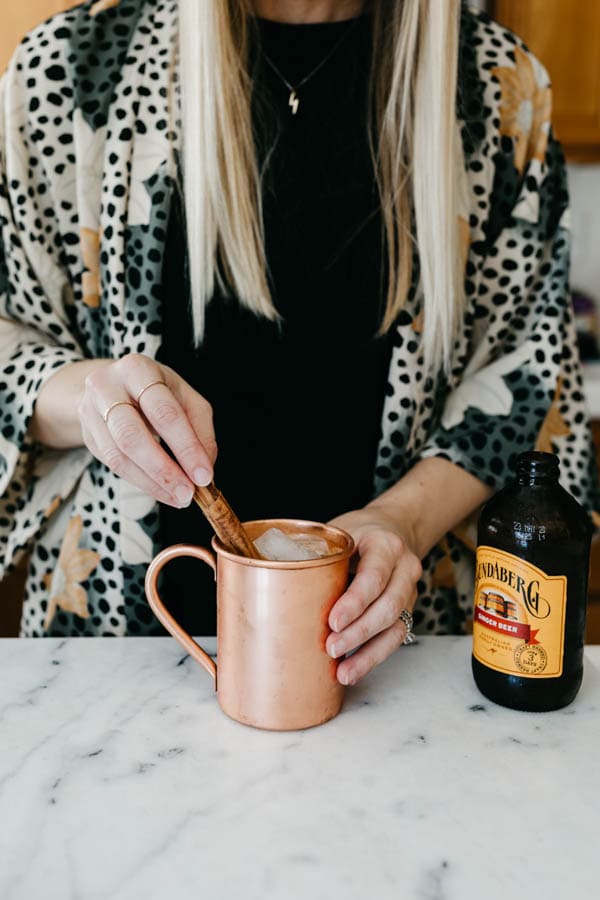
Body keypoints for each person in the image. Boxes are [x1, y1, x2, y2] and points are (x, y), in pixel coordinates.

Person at [0, 0, 597, 685]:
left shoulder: (497, 88)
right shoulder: (72, 68)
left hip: (386, 658)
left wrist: (399, 522)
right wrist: (90, 396)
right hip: (119, 652)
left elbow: (527, 379)